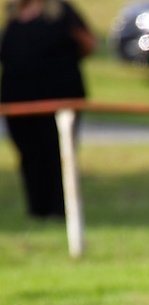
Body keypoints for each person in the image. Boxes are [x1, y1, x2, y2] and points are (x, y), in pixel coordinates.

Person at [0, 0, 95, 219]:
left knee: (57, 152)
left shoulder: (62, 12)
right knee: (29, 154)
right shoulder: (13, 14)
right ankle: (37, 209)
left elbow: (88, 44)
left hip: (59, 97)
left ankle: (60, 209)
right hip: (18, 100)